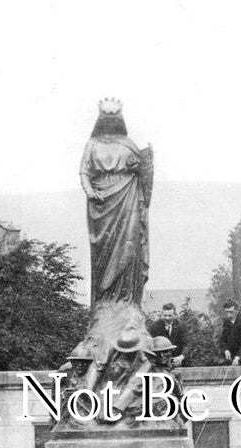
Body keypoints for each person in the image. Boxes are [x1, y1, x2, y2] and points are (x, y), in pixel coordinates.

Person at [80, 97, 152, 305]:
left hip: (128, 195)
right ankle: (105, 300)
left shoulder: (128, 144)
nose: (110, 122)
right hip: (101, 201)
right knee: (104, 251)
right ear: (101, 120)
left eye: (114, 119)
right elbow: (84, 172)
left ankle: (126, 299)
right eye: (106, 119)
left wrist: (140, 166)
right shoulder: (92, 144)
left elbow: (143, 171)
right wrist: (90, 191)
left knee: (129, 244)